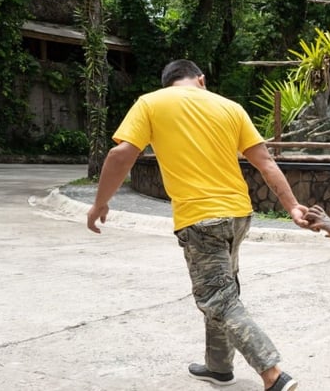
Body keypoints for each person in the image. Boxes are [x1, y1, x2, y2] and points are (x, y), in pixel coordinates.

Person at [86, 59, 308, 391]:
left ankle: (273, 374)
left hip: (201, 219)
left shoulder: (151, 103)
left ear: (168, 83)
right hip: (238, 215)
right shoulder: (230, 107)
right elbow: (265, 162)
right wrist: (292, 206)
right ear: (200, 80)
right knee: (223, 289)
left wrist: (100, 202)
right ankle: (219, 367)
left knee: (219, 298)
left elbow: (120, 155)